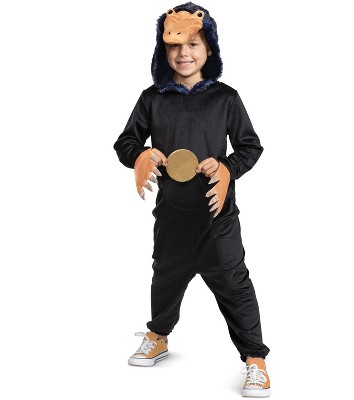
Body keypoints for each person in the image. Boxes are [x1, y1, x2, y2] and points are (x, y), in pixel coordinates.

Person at [113, 2, 271, 397]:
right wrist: (142, 155)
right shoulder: (152, 98)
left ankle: (255, 359)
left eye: (193, 44)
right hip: (171, 215)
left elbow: (251, 146)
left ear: (209, 49)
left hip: (217, 218)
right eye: (174, 46)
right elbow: (125, 141)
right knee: (165, 278)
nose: (183, 53)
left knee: (235, 286)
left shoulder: (225, 98)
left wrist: (226, 165)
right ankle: (158, 335)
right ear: (163, 50)